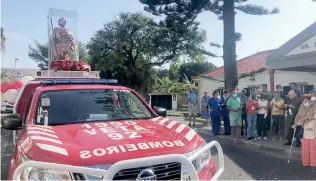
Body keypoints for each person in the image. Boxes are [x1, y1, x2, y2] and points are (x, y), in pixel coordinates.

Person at [292, 93, 316, 167]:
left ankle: (313, 162)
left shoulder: (314, 106)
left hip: (313, 127)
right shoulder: (302, 106)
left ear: (309, 100)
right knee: (305, 146)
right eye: (303, 101)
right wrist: (296, 123)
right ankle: (305, 162)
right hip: (305, 127)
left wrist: (308, 118)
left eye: (305, 101)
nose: (304, 103)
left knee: (313, 146)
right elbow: (298, 116)